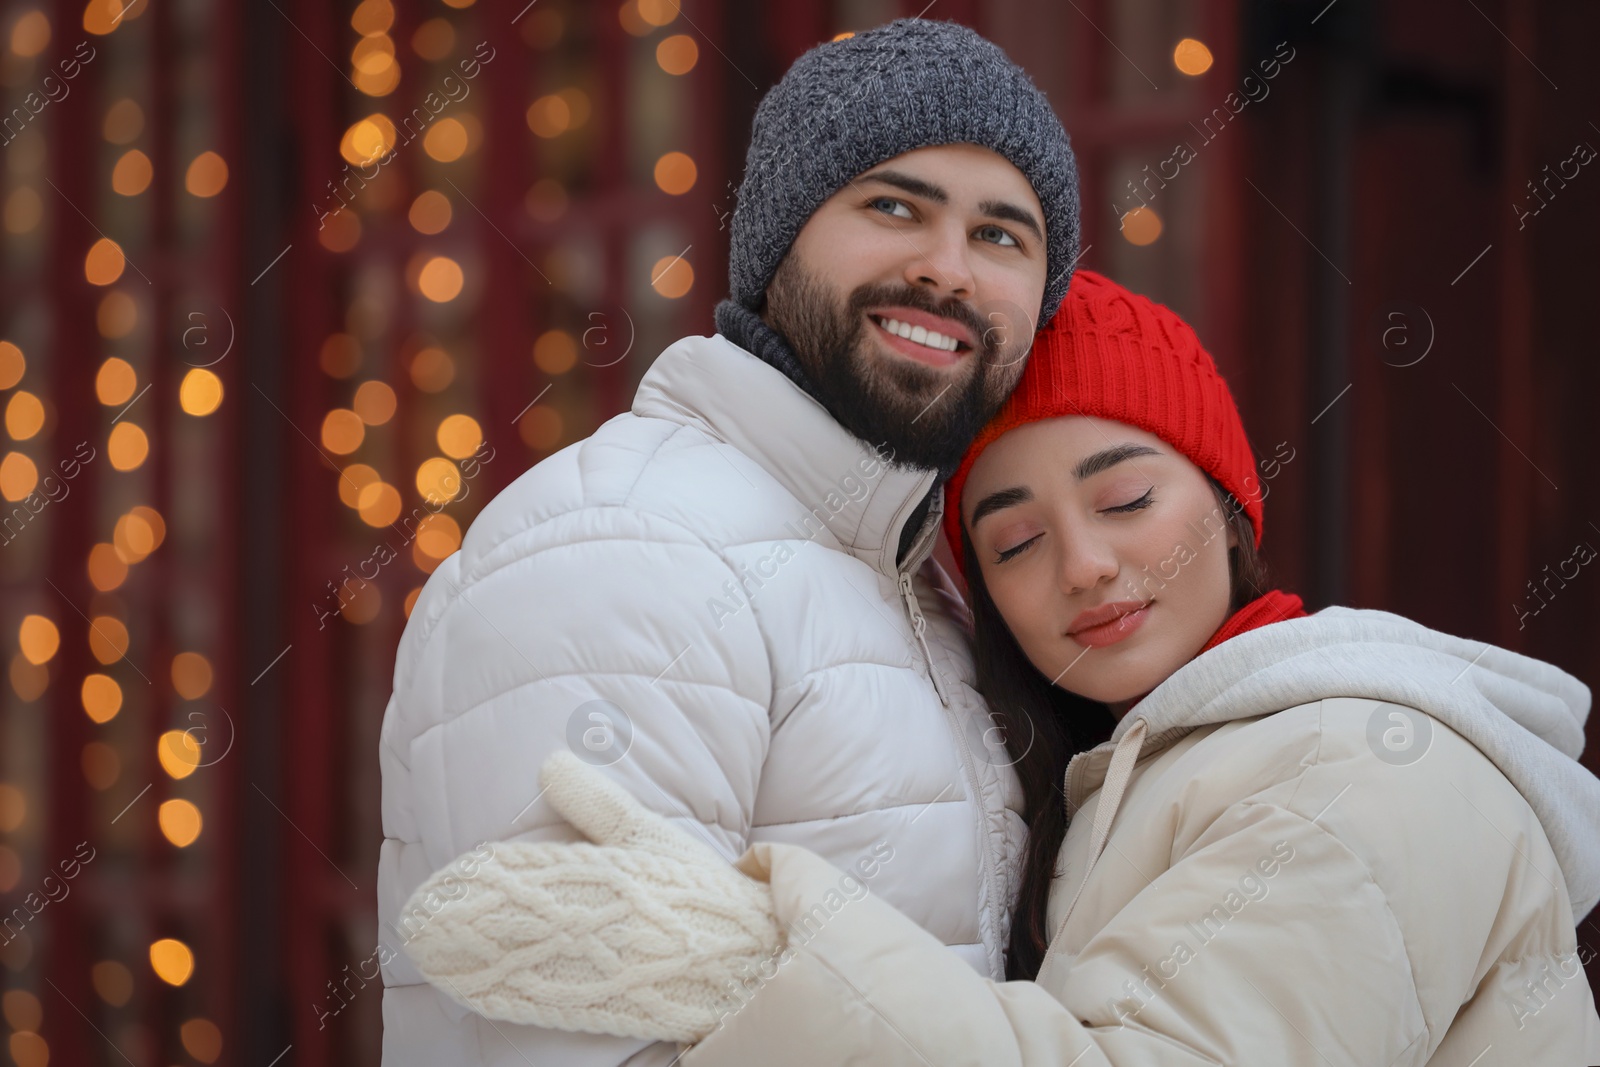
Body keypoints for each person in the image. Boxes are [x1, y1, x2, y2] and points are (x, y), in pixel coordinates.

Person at [401, 271, 1600, 1064]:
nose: (1084, 564)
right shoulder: (1160, 758)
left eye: (1127, 495)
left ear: (1231, 504)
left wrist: (758, 959)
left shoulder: (1361, 766)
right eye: (1014, 539)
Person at [376, 18, 1081, 1065]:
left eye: (1001, 237)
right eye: (893, 206)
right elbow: (572, 1044)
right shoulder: (626, 546)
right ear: (778, 236)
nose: (949, 271)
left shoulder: (917, 580)